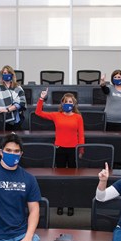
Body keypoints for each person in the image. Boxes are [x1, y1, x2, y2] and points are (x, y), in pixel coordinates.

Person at [35, 88, 85, 216]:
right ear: (62, 104)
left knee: (72, 179)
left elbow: (81, 135)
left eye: (70, 102)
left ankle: (71, 205)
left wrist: (81, 149)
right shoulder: (56, 115)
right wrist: (41, 98)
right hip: (59, 149)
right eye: (65, 101)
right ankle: (60, 204)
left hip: (73, 149)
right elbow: (38, 112)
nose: (68, 104)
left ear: (74, 104)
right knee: (60, 179)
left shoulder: (78, 117)